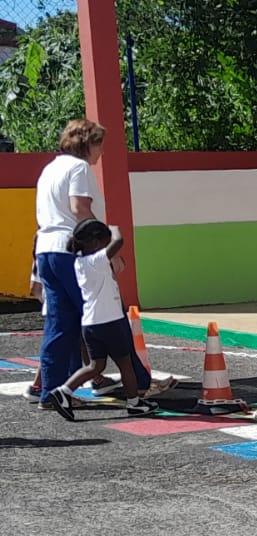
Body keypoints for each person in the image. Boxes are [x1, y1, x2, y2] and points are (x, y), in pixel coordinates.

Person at [31, 119, 110, 408]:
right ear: (87, 143)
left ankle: (51, 391)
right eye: (99, 143)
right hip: (71, 250)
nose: (101, 151)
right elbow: (80, 208)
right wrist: (104, 245)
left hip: (46, 251)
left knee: (59, 324)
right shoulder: (79, 168)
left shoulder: (50, 168)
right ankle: (134, 381)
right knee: (100, 315)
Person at [45, 220, 155, 419]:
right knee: (125, 363)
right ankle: (134, 403)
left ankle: (63, 391)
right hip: (110, 321)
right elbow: (119, 241)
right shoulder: (97, 260)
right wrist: (114, 228)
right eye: (104, 240)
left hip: (90, 323)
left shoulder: (79, 261)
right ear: (96, 242)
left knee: (95, 366)